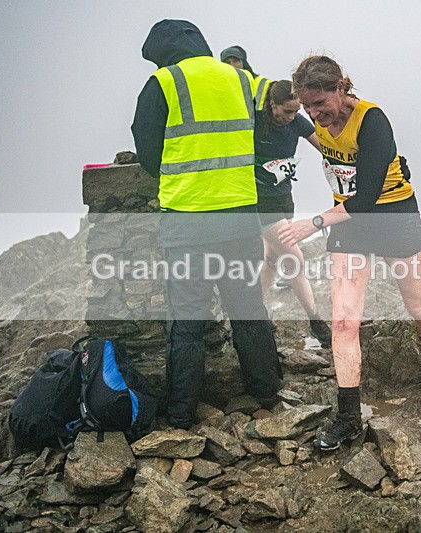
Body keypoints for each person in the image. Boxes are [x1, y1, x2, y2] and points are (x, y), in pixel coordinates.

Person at [278, 56, 421, 451]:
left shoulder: (373, 121)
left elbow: (370, 198)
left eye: (320, 104)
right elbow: (274, 107)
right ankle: (348, 418)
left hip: (392, 215)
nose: (315, 114)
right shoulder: (314, 120)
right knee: (343, 322)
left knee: (417, 304)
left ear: (341, 88)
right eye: (307, 107)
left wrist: (314, 223)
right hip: (349, 224)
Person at [131, 19, 283, 429]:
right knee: (248, 309)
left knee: (187, 323)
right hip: (239, 218)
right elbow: (282, 99)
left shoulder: (162, 83)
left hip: (188, 223)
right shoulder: (239, 78)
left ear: (160, 53)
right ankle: (266, 391)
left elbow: (147, 150)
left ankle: (181, 413)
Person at [252, 79, 332, 348]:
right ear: (272, 104)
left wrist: (351, 160)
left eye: (295, 111)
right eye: (285, 111)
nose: (290, 117)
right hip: (261, 202)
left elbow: (324, 146)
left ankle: (253, 315)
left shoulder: (297, 122)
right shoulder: (256, 120)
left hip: (284, 197)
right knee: (294, 257)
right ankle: (316, 321)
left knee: (273, 259)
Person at [220, 45, 270, 111]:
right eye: (227, 63)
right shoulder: (220, 87)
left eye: (235, 61)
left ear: (243, 63)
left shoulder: (265, 84)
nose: (232, 65)